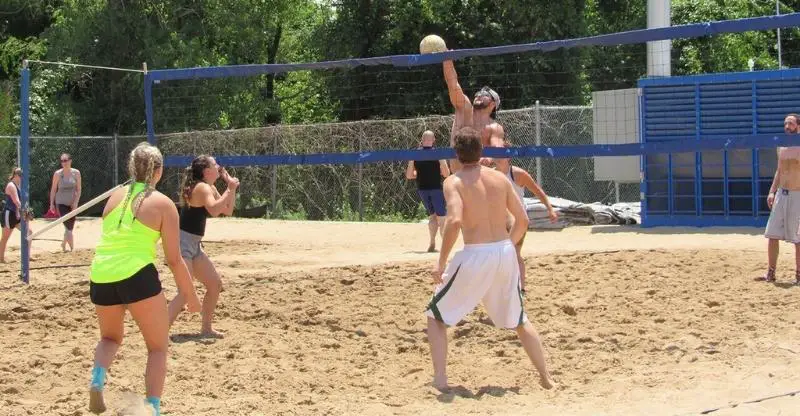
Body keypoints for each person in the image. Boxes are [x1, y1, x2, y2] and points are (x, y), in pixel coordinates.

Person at [425, 127, 554, 391]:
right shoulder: (499, 178)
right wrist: (507, 246)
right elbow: (523, 220)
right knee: (519, 320)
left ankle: (440, 379)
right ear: (481, 150)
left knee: (435, 316)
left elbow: (455, 221)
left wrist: (441, 262)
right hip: (504, 252)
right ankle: (546, 378)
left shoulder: (453, 182)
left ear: (457, 154)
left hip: (476, 252)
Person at [87, 142, 202, 415]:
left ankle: (97, 379)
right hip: (138, 275)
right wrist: (191, 295)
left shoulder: (114, 197)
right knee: (157, 348)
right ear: (159, 171)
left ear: (131, 168)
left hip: (101, 275)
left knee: (110, 338)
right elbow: (174, 259)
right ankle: (152, 408)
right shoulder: (162, 203)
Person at [167, 155, 239, 338]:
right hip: (182, 242)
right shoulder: (202, 187)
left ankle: (206, 329)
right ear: (207, 171)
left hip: (193, 244)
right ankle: (159, 332)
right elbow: (214, 210)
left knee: (214, 284)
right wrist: (229, 189)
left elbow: (227, 210)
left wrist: (231, 188)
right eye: (215, 164)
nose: (219, 166)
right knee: (185, 292)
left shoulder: (209, 187)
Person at [494, 141, 558, 293]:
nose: (497, 156)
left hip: (518, 221)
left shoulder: (518, 174)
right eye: (495, 152)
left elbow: (537, 190)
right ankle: (504, 287)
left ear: (509, 156)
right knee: (498, 255)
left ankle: (521, 288)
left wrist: (550, 209)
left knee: (514, 253)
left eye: (501, 153)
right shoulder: (490, 174)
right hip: (497, 221)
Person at [443, 57, 505, 172]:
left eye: (485, 94)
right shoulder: (464, 108)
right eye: (478, 93)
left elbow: (498, 149)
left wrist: (489, 158)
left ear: (493, 104)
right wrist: (447, 59)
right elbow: (453, 84)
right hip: (457, 175)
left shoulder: (494, 127)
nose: (479, 95)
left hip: (479, 177)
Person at [763, 113, 800, 285]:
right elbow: (779, 170)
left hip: (797, 194)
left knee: (797, 237)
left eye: (790, 123)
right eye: (785, 123)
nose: (787, 126)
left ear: (798, 126)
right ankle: (771, 272)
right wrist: (772, 191)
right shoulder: (782, 145)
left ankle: (799, 274)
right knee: (772, 234)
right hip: (781, 194)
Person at [405, 130, 451, 252]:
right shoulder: (437, 154)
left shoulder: (415, 155)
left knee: (432, 216)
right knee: (442, 217)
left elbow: (409, 175)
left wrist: (419, 173)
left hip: (422, 189)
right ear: (433, 140)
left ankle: (432, 242)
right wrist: (441, 162)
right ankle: (444, 246)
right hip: (436, 188)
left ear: (422, 140)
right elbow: (446, 174)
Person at [50, 153, 81, 252]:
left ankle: (63, 244)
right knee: (68, 227)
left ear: (70, 161)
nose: (64, 163)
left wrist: (75, 203)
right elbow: (53, 189)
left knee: (70, 227)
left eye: (65, 160)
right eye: (62, 161)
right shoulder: (58, 174)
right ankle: (72, 249)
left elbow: (79, 189)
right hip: (61, 203)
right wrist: (51, 203)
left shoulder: (76, 173)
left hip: (72, 204)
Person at [0, 168, 32, 262]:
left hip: (17, 214)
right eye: (22, 176)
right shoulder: (11, 185)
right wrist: (26, 212)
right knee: (5, 238)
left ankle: (27, 256)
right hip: (9, 214)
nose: (23, 178)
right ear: (17, 175)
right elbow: (16, 201)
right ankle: (1, 258)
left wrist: (24, 211)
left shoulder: (19, 185)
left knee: (29, 232)